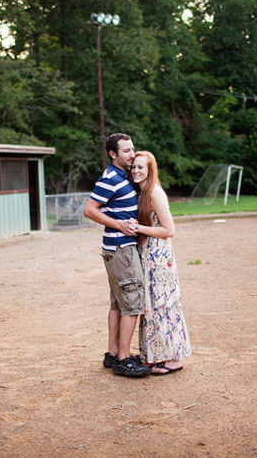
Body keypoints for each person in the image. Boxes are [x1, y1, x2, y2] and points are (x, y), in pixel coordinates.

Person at [83, 133, 151, 377]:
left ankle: (112, 354)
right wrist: (119, 225)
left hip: (115, 249)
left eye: (132, 149)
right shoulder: (111, 178)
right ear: (113, 154)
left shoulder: (124, 177)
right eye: (126, 151)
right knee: (132, 303)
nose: (132, 154)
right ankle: (124, 359)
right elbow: (89, 210)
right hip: (121, 249)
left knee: (118, 302)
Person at [131, 151, 191, 375]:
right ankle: (154, 355)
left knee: (164, 306)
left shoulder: (155, 192)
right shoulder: (143, 192)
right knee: (151, 307)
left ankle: (174, 359)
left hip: (159, 258)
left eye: (140, 167)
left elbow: (169, 230)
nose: (136, 171)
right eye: (134, 167)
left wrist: (138, 228)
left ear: (150, 170)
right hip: (148, 255)